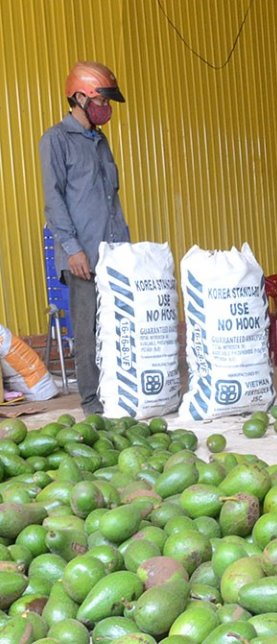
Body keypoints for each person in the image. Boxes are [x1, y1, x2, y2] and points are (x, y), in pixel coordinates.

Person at [40, 61, 130, 416]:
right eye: (101, 101)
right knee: (87, 332)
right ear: (79, 97)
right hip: (83, 256)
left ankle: (118, 394)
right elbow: (54, 199)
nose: (105, 109)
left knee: (115, 327)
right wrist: (72, 248)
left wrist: (125, 248)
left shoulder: (100, 140)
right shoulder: (55, 140)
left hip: (113, 252)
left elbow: (110, 197)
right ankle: (93, 404)